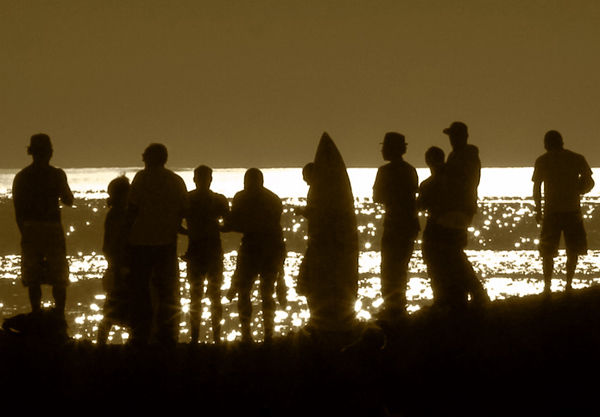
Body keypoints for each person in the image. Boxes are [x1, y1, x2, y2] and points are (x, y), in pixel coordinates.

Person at [126, 143, 189, 346]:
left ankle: (141, 330)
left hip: (141, 241)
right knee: (166, 289)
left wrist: (123, 238)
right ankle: (166, 331)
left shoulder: (141, 178)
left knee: (141, 288)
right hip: (167, 241)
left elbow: (132, 209)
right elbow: (183, 211)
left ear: (150, 158)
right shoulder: (176, 180)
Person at [12, 133, 74, 318]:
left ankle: (36, 313)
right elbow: (68, 200)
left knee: (33, 278)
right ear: (50, 152)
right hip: (52, 228)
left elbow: (18, 210)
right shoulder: (56, 174)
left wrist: (24, 231)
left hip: (30, 228)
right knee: (59, 277)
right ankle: (59, 314)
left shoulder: (22, 177)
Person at [223, 168, 285, 343]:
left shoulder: (241, 197)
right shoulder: (273, 199)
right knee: (267, 291)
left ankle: (247, 334)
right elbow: (274, 225)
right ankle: (268, 334)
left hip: (252, 247)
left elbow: (235, 223)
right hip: (273, 247)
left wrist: (221, 226)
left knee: (244, 290)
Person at [532, 130, 594, 295]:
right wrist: (580, 190)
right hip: (572, 210)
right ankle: (568, 284)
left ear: (546, 144)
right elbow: (589, 180)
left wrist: (538, 209)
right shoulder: (576, 158)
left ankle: (547, 286)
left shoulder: (542, 161)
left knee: (548, 251)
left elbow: (536, 188)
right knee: (573, 249)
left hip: (552, 212)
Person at [437, 121, 489, 309]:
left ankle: (475, 291)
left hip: (460, 208)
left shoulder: (464, 157)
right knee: (453, 250)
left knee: (454, 251)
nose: (451, 140)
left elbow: (458, 182)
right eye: (450, 136)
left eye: (454, 136)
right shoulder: (461, 155)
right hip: (460, 207)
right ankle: (464, 292)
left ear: (463, 137)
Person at [372, 132, 419, 319]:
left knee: (389, 268)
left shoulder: (385, 171)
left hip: (394, 224)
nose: (382, 151)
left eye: (385, 148)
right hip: (409, 224)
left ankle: (392, 308)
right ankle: (398, 307)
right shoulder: (410, 170)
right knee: (400, 268)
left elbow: (377, 197)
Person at [182, 165, 229, 344]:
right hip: (213, 250)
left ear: (194, 179)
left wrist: (190, 232)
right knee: (215, 294)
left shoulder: (188, 199)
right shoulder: (218, 200)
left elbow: (175, 222)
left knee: (195, 294)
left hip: (194, 250)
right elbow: (229, 222)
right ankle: (216, 337)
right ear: (210, 179)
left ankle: (195, 337)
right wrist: (215, 227)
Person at [97, 175, 132, 345]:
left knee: (112, 310)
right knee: (116, 309)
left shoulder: (115, 214)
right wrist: (118, 268)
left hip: (118, 266)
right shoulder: (119, 215)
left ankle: (101, 345)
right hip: (121, 266)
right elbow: (113, 244)